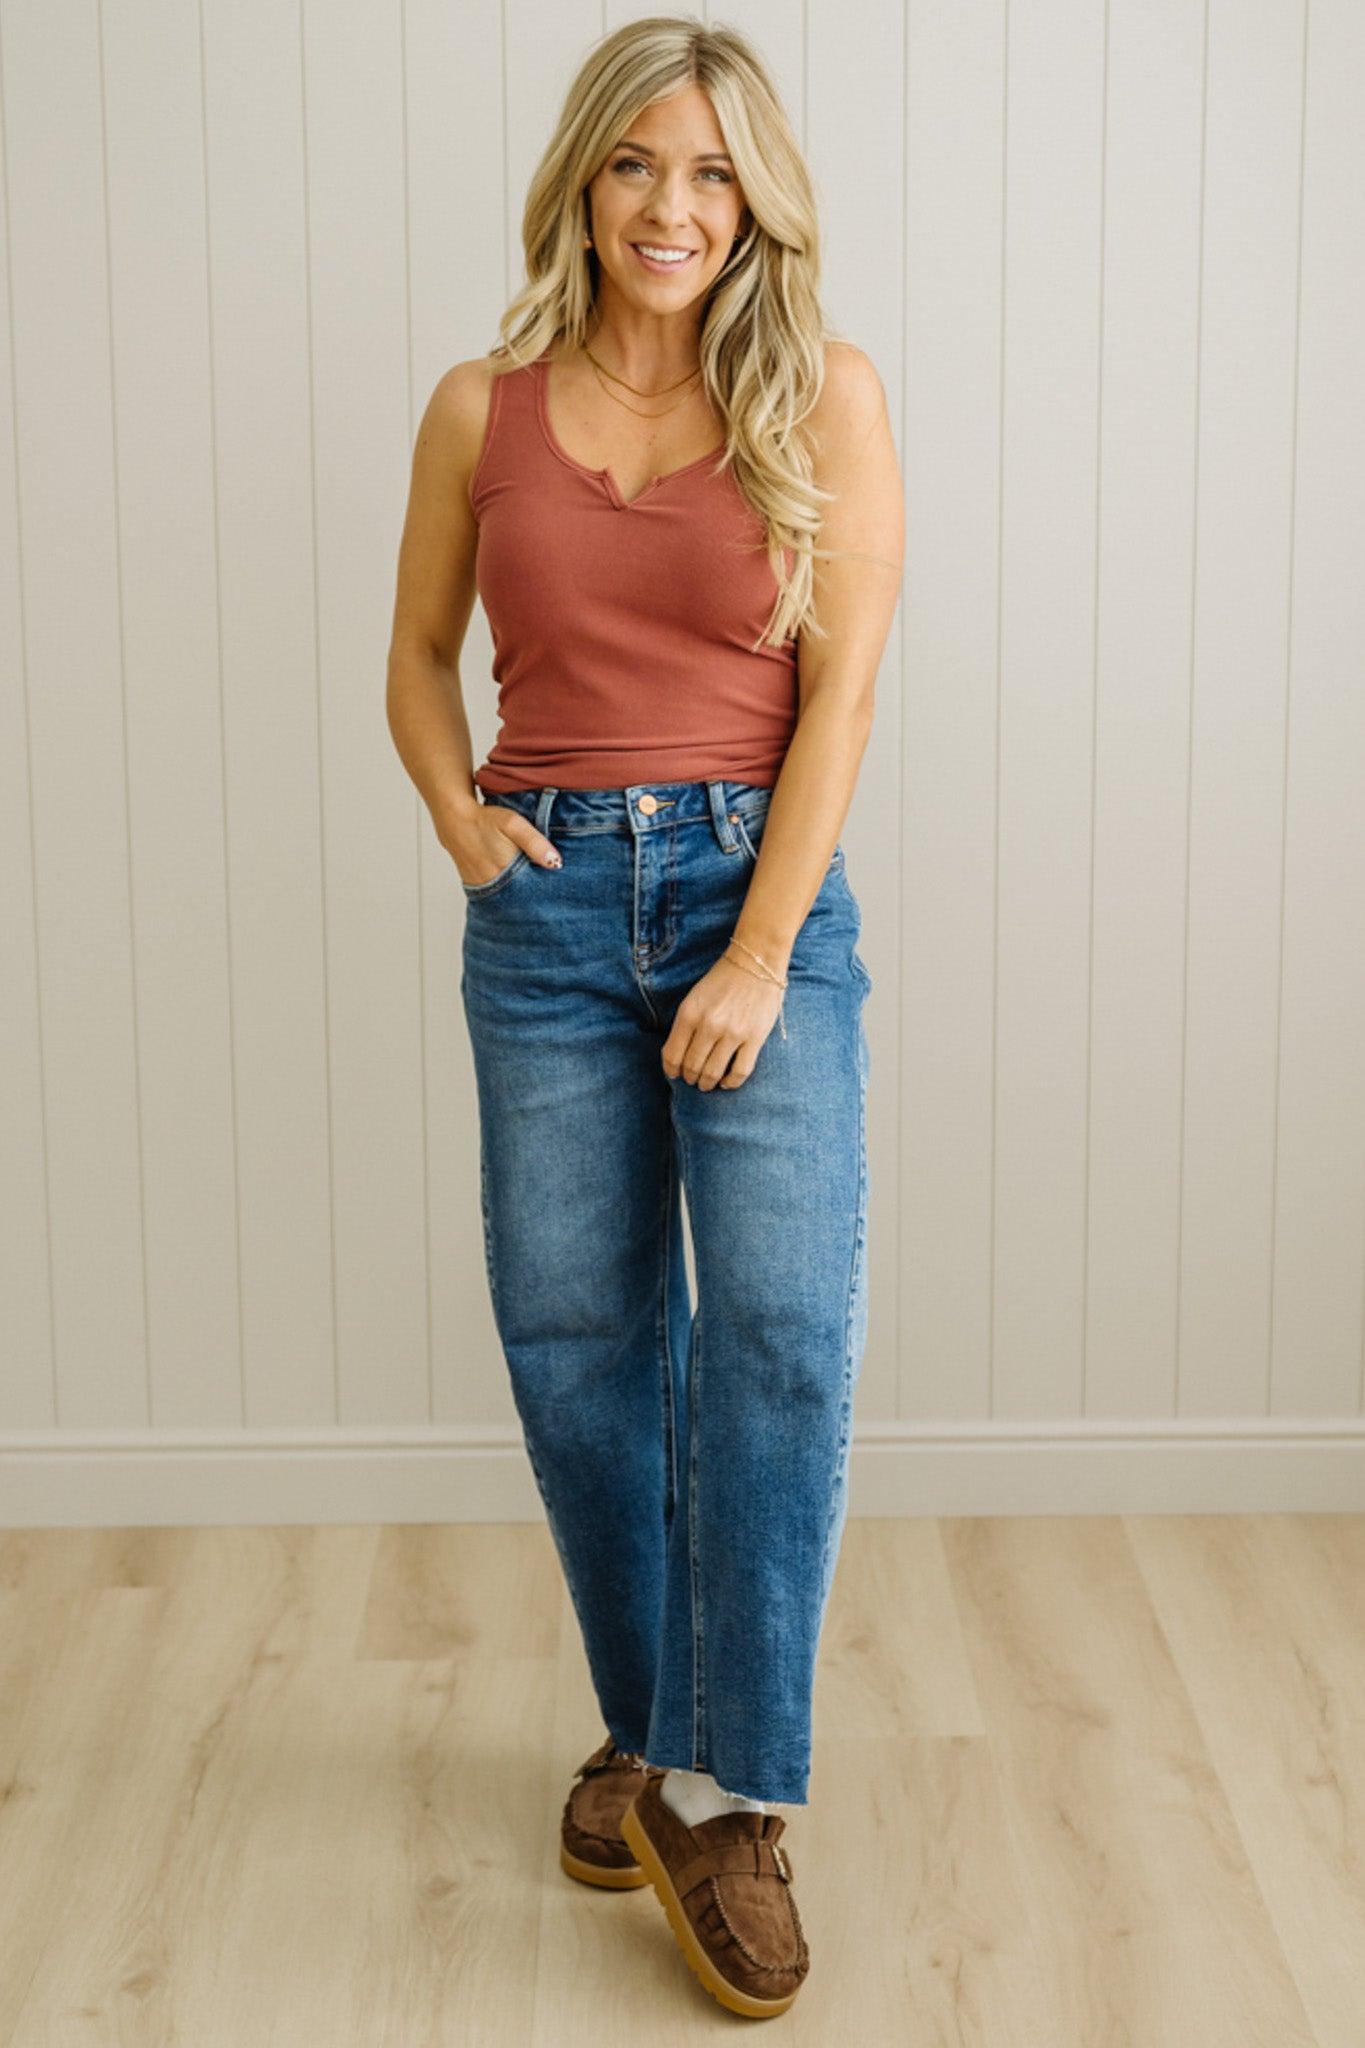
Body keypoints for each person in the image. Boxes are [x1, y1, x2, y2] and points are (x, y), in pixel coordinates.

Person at [386, 16, 902, 2019]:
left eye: (706, 173)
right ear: (579, 187)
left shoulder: (827, 395)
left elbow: (840, 698)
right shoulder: (475, 405)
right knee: (582, 1336)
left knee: (775, 1323)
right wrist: (460, 819)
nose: (668, 208)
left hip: (743, 883)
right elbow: (420, 659)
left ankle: (724, 1785)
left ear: (750, 197)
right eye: (632, 169)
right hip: (538, 902)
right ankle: (652, 1725)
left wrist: (758, 950)